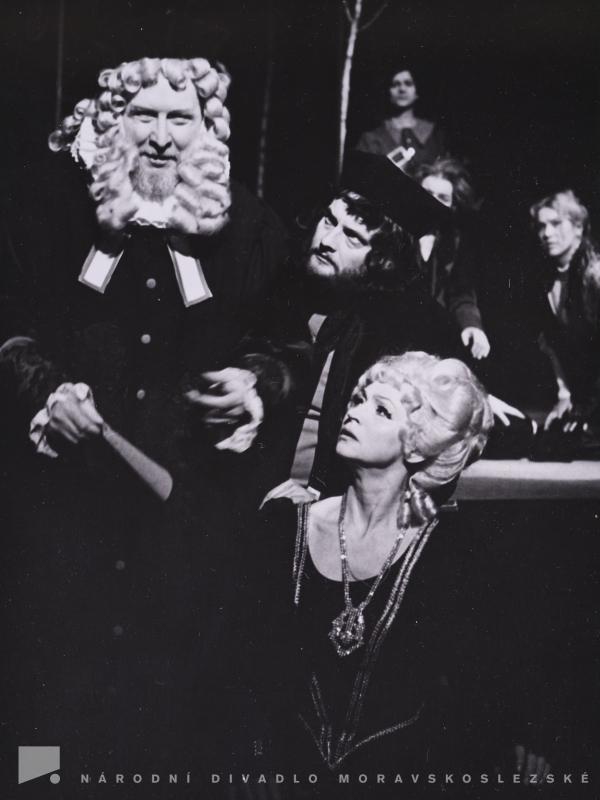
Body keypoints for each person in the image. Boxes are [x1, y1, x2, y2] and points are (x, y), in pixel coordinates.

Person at [0, 56, 287, 772]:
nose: (160, 136)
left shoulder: (251, 224)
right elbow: (13, 325)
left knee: (168, 723)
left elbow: (283, 340)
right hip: (65, 520)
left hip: (186, 529)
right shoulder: (47, 209)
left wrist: (255, 380)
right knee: (49, 719)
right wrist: (46, 393)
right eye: (144, 115)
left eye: (179, 118)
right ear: (113, 121)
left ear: (207, 128)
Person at [235, 353, 549, 793]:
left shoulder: (447, 552)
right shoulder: (285, 526)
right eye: (357, 401)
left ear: (418, 445)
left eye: (381, 410)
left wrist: (522, 744)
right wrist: (250, 758)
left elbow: (486, 677)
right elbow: (242, 668)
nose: (355, 413)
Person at [527, 190, 600, 430]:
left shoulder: (595, 273)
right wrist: (564, 395)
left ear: (578, 227)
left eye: (556, 223)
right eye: (541, 226)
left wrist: (589, 408)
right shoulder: (546, 277)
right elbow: (551, 342)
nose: (547, 233)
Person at [415, 157, 491, 360]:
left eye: (442, 197)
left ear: (453, 206)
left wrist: (472, 325)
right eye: (427, 193)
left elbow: (462, 292)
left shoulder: (455, 242)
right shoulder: (396, 232)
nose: (432, 201)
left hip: (430, 343)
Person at [356, 66, 446, 175]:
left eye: (408, 83)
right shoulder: (372, 138)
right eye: (395, 84)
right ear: (388, 91)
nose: (402, 89)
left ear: (417, 91)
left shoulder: (434, 135)